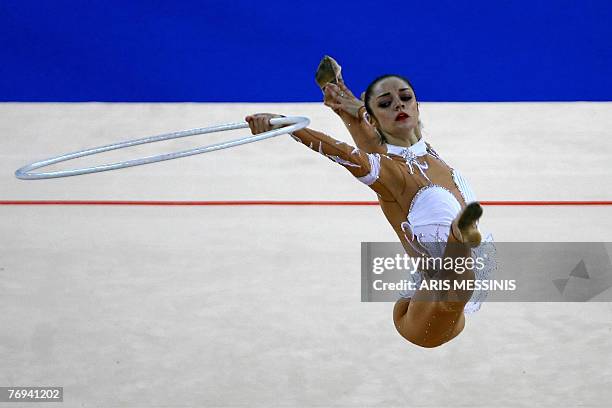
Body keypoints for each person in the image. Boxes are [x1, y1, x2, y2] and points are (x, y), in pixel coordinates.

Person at [245, 56, 494, 348]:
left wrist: (346, 99)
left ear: (417, 106)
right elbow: (341, 152)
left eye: (405, 98)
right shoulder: (389, 171)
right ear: (373, 118)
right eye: (386, 104)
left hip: (431, 298)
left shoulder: (429, 156)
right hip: (426, 318)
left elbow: (385, 140)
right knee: (453, 291)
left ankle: (336, 95)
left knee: (394, 154)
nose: (399, 105)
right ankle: (459, 236)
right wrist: (285, 126)